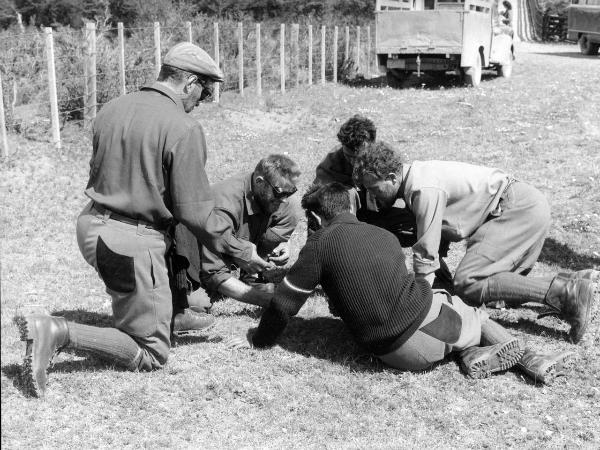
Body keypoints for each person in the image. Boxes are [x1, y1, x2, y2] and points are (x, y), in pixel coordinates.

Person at [17, 42, 271, 397]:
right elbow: (195, 212)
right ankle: (57, 331)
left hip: (92, 227)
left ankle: (161, 313)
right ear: (190, 83)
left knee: (143, 302)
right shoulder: (183, 128)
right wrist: (241, 249)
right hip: (131, 242)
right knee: (151, 350)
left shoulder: (111, 108)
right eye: (206, 91)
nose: (203, 100)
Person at [230, 183, 528, 379]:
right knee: (467, 310)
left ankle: (478, 354)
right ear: (351, 208)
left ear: (317, 219)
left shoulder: (320, 243)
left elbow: (283, 305)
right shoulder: (384, 236)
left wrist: (260, 339)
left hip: (399, 354)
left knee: (453, 315)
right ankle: (524, 358)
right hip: (430, 324)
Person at [352, 141, 597, 345]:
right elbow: (439, 234)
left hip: (516, 210)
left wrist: (418, 303)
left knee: (469, 281)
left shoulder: (422, 188)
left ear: (392, 177)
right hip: (521, 206)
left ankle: (567, 294)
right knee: (494, 292)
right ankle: (575, 281)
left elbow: (426, 253)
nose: (372, 195)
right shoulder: (416, 177)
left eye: (374, 188)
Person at [314, 115, 453, 290]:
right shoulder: (331, 165)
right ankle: (339, 279)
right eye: (349, 156)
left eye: (359, 156)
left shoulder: (380, 156)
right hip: (349, 220)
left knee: (426, 221)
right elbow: (320, 206)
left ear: (372, 143)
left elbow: (398, 189)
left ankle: (439, 276)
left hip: (381, 212)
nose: (355, 162)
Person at [171, 154, 302, 313]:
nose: (284, 200)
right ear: (259, 182)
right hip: (198, 255)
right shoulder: (225, 207)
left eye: (290, 192)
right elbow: (214, 274)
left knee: (292, 209)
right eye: (280, 193)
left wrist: (283, 242)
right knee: (199, 303)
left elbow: (284, 203)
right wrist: (271, 302)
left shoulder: (274, 195)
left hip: (236, 242)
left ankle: (251, 275)